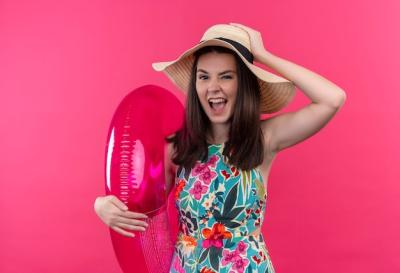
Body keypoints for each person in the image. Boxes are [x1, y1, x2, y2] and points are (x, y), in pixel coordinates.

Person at [94, 23, 346, 273]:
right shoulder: (176, 147)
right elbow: (143, 212)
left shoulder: (264, 138)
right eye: (204, 76)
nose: (213, 87)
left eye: (226, 76)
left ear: (244, 85)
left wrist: (263, 55)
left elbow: (332, 99)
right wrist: (102, 205)